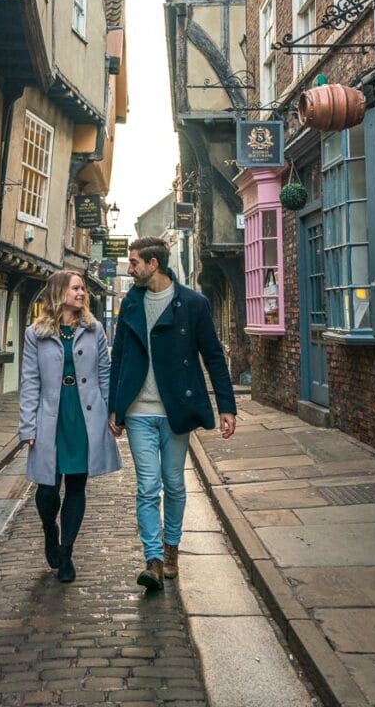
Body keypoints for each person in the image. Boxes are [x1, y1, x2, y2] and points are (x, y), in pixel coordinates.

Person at [108, 237, 237, 591]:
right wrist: (114, 407)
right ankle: (152, 559)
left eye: (134, 263)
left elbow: (212, 355)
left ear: (153, 264)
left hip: (175, 409)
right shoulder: (131, 303)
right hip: (138, 411)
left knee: (175, 483)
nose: (130, 268)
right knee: (148, 486)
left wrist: (226, 405)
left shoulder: (193, 304)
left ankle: (171, 549)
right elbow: (118, 357)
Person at [19, 270, 121, 582]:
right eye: (76, 288)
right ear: (59, 292)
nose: (81, 293)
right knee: (47, 489)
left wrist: (111, 414)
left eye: (83, 289)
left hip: (84, 415)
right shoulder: (35, 333)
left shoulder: (94, 329)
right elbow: (29, 381)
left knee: (77, 485)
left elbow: (105, 372)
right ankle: (50, 529)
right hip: (50, 415)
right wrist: (27, 427)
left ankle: (66, 554)